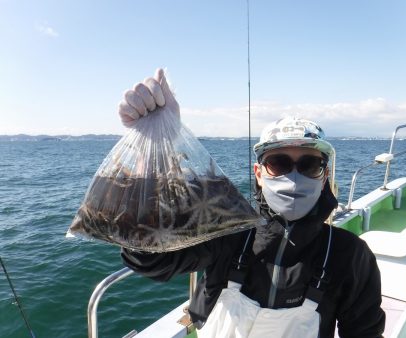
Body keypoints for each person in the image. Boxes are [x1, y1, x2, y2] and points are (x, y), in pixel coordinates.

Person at [118, 69, 385, 338]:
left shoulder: (350, 254)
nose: (293, 177)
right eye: (278, 163)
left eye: (309, 164)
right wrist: (155, 148)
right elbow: (149, 258)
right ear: (259, 174)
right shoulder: (227, 230)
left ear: (324, 175)